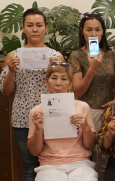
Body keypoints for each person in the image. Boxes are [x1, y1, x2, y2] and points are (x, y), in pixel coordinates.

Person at [0, 8, 64, 181]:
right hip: (22, 118)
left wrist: (58, 67)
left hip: (52, 116)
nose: (34, 29)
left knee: (53, 164)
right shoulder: (13, 56)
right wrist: (12, 70)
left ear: (46, 28)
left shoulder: (56, 56)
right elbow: (6, 91)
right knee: (29, 166)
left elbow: (65, 89)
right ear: (23, 28)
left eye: (38, 25)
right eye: (30, 25)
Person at [27, 62, 97, 181]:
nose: (58, 83)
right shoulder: (36, 111)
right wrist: (39, 129)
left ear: (70, 84)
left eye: (64, 79)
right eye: (54, 78)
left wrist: (85, 126)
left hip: (80, 163)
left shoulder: (83, 107)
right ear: (46, 82)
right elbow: (34, 151)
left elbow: (90, 145)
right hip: (49, 165)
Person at [68, 12, 115, 180]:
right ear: (82, 31)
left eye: (97, 29)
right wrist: (92, 68)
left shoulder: (110, 55)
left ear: (103, 32)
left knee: (105, 160)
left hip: (108, 114)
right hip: (86, 113)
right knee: (88, 159)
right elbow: (77, 92)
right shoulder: (77, 56)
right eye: (89, 30)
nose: (93, 34)